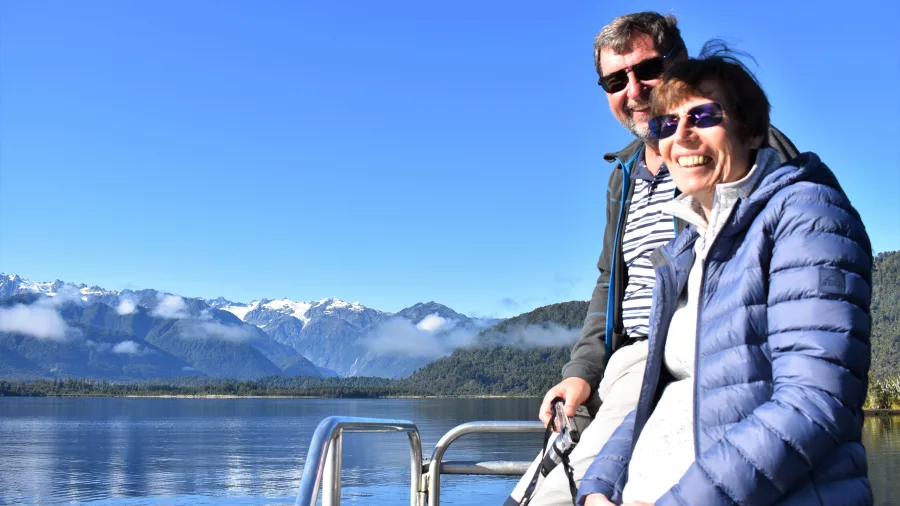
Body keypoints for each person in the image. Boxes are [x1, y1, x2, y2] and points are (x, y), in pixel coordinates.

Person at [506, 13, 798, 506]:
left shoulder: (743, 149)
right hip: (629, 363)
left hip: (701, 361)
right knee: (546, 493)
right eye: (616, 80)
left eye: (647, 70)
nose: (635, 89)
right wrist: (580, 373)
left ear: (682, 64)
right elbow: (609, 283)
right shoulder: (622, 176)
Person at [577, 44, 873, 506]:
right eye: (667, 125)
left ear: (753, 130)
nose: (682, 137)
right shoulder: (685, 252)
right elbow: (655, 397)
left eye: (704, 116)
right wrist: (598, 488)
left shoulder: (808, 216)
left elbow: (816, 405)